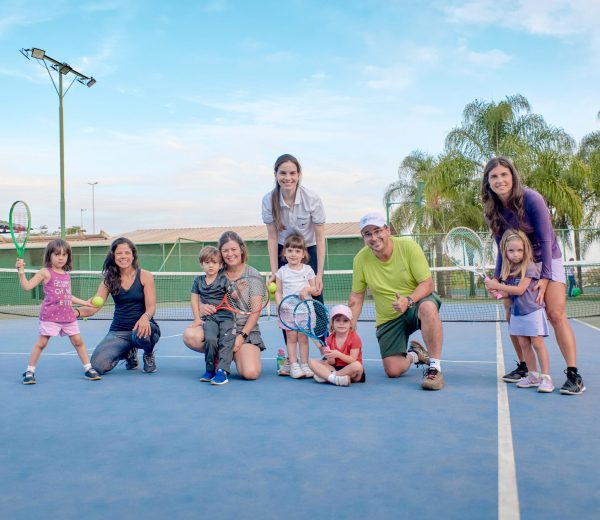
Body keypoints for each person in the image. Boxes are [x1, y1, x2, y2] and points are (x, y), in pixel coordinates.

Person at [482, 156, 585, 395]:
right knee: (511, 312)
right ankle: (526, 368)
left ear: (513, 176)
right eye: (494, 176)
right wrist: (498, 281)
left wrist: (545, 278)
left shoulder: (532, 199)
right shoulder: (492, 210)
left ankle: (573, 375)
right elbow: (501, 249)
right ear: (488, 182)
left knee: (555, 313)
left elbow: (547, 240)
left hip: (547, 257)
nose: (500, 180)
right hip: (516, 264)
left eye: (504, 175)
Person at [348, 212, 443, 390]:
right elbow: (357, 296)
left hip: (416, 304)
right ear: (363, 238)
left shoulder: (408, 247)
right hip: (389, 318)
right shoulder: (360, 259)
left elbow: (427, 284)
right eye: (367, 234)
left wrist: (409, 300)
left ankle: (435, 368)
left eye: (377, 231)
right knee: (393, 370)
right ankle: (415, 355)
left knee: (429, 308)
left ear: (388, 230)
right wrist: (350, 322)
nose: (374, 238)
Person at [262, 153, 326, 375]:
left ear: (298, 175)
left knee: (316, 299)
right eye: (283, 173)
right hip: (283, 249)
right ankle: (292, 361)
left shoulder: (312, 198)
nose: (287, 177)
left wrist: (319, 274)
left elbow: (320, 238)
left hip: (309, 248)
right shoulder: (268, 200)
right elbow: (271, 237)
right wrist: (274, 272)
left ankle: (327, 354)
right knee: (286, 305)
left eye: (292, 173)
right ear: (276, 175)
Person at [16, 239, 101, 384]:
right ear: (49, 256)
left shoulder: (66, 274)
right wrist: (21, 271)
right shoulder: (45, 272)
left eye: (64, 254)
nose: (61, 257)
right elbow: (27, 286)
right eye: (57, 254)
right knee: (42, 343)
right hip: (50, 317)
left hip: (68, 316)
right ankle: (29, 371)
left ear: (68, 257)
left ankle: (88, 369)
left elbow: (67, 295)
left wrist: (85, 302)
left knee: (78, 341)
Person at [182, 231, 265, 380]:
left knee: (250, 373)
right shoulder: (214, 270)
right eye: (225, 250)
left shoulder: (254, 275)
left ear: (241, 249)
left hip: (243, 330)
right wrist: (201, 306)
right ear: (220, 254)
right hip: (218, 326)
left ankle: (225, 354)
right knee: (191, 335)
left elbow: (255, 312)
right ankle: (219, 355)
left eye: (233, 249)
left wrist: (241, 336)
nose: (230, 254)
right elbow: (199, 295)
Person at [79, 237, 161, 375]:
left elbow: (151, 307)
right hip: (119, 331)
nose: (123, 256)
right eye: (119, 253)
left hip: (144, 328)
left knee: (142, 333)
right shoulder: (108, 280)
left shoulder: (145, 276)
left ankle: (148, 354)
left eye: (127, 253)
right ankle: (128, 352)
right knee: (97, 366)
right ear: (113, 256)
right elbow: (93, 308)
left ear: (133, 255)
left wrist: (145, 318)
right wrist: (74, 313)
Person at [485, 230, 554, 393]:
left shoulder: (529, 266)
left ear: (525, 250)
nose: (515, 254)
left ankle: (546, 378)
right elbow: (509, 293)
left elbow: (520, 290)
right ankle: (533, 376)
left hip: (532, 311)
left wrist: (497, 286)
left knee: (537, 343)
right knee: (524, 344)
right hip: (517, 312)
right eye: (511, 251)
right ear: (505, 252)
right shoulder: (508, 270)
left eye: (519, 250)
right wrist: (498, 294)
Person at [274, 233, 318, 378]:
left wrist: (307, 289)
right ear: (284, 252)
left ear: (303, 253)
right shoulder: (281, 272)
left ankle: (304, 364)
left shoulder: (308, 270)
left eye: (297, 251)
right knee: (291, 339)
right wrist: (280, 304)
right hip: (288, 313)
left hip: (305, 311)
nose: (293, 254)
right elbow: (279, 292)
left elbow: (315, 289)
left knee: (304, 339)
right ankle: (294, 365)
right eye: (290, 250)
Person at [193, 246, 236, 385]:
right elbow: (194, 299)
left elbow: (234, 296)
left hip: (226, 317)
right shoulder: (198, 281)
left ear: (220, 265)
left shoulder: (224, 280)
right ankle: (210, 370)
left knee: (226, 341)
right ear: (202, 264)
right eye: (207, 262)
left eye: (214, 262)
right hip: (210, 318)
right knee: (210, 339)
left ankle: (222, 371)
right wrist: (198, 318)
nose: (211, 265)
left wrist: (236, 292)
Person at [308, 304, 365, 387]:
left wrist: (338, 354)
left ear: (350, 324)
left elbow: (352, 360)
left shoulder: (355, 338)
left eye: (345, 321)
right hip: (335, 367)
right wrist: (329, 356)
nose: (341, 323)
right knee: (311, 362)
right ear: (332, 323)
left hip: (350, 369)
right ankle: (336, 379)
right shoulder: (329, 339)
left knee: (357, 366)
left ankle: (330, 377)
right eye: (338, 320)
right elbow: (332, 362)